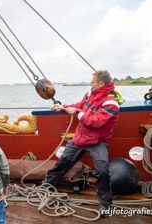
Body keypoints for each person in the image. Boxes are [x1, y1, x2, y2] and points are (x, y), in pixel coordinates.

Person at [43, 70, 119, 215]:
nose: (91, 83)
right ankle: (46, 186)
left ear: (101, 83)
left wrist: (76, 112)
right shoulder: (90, 93)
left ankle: (105, 203)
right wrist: (63, 108)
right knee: (63, 162)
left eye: (94, 81)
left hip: (98, 141)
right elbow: (80, 105)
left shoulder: (111, 102)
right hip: (81, 137)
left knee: (102, 169)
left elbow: (95, 122)